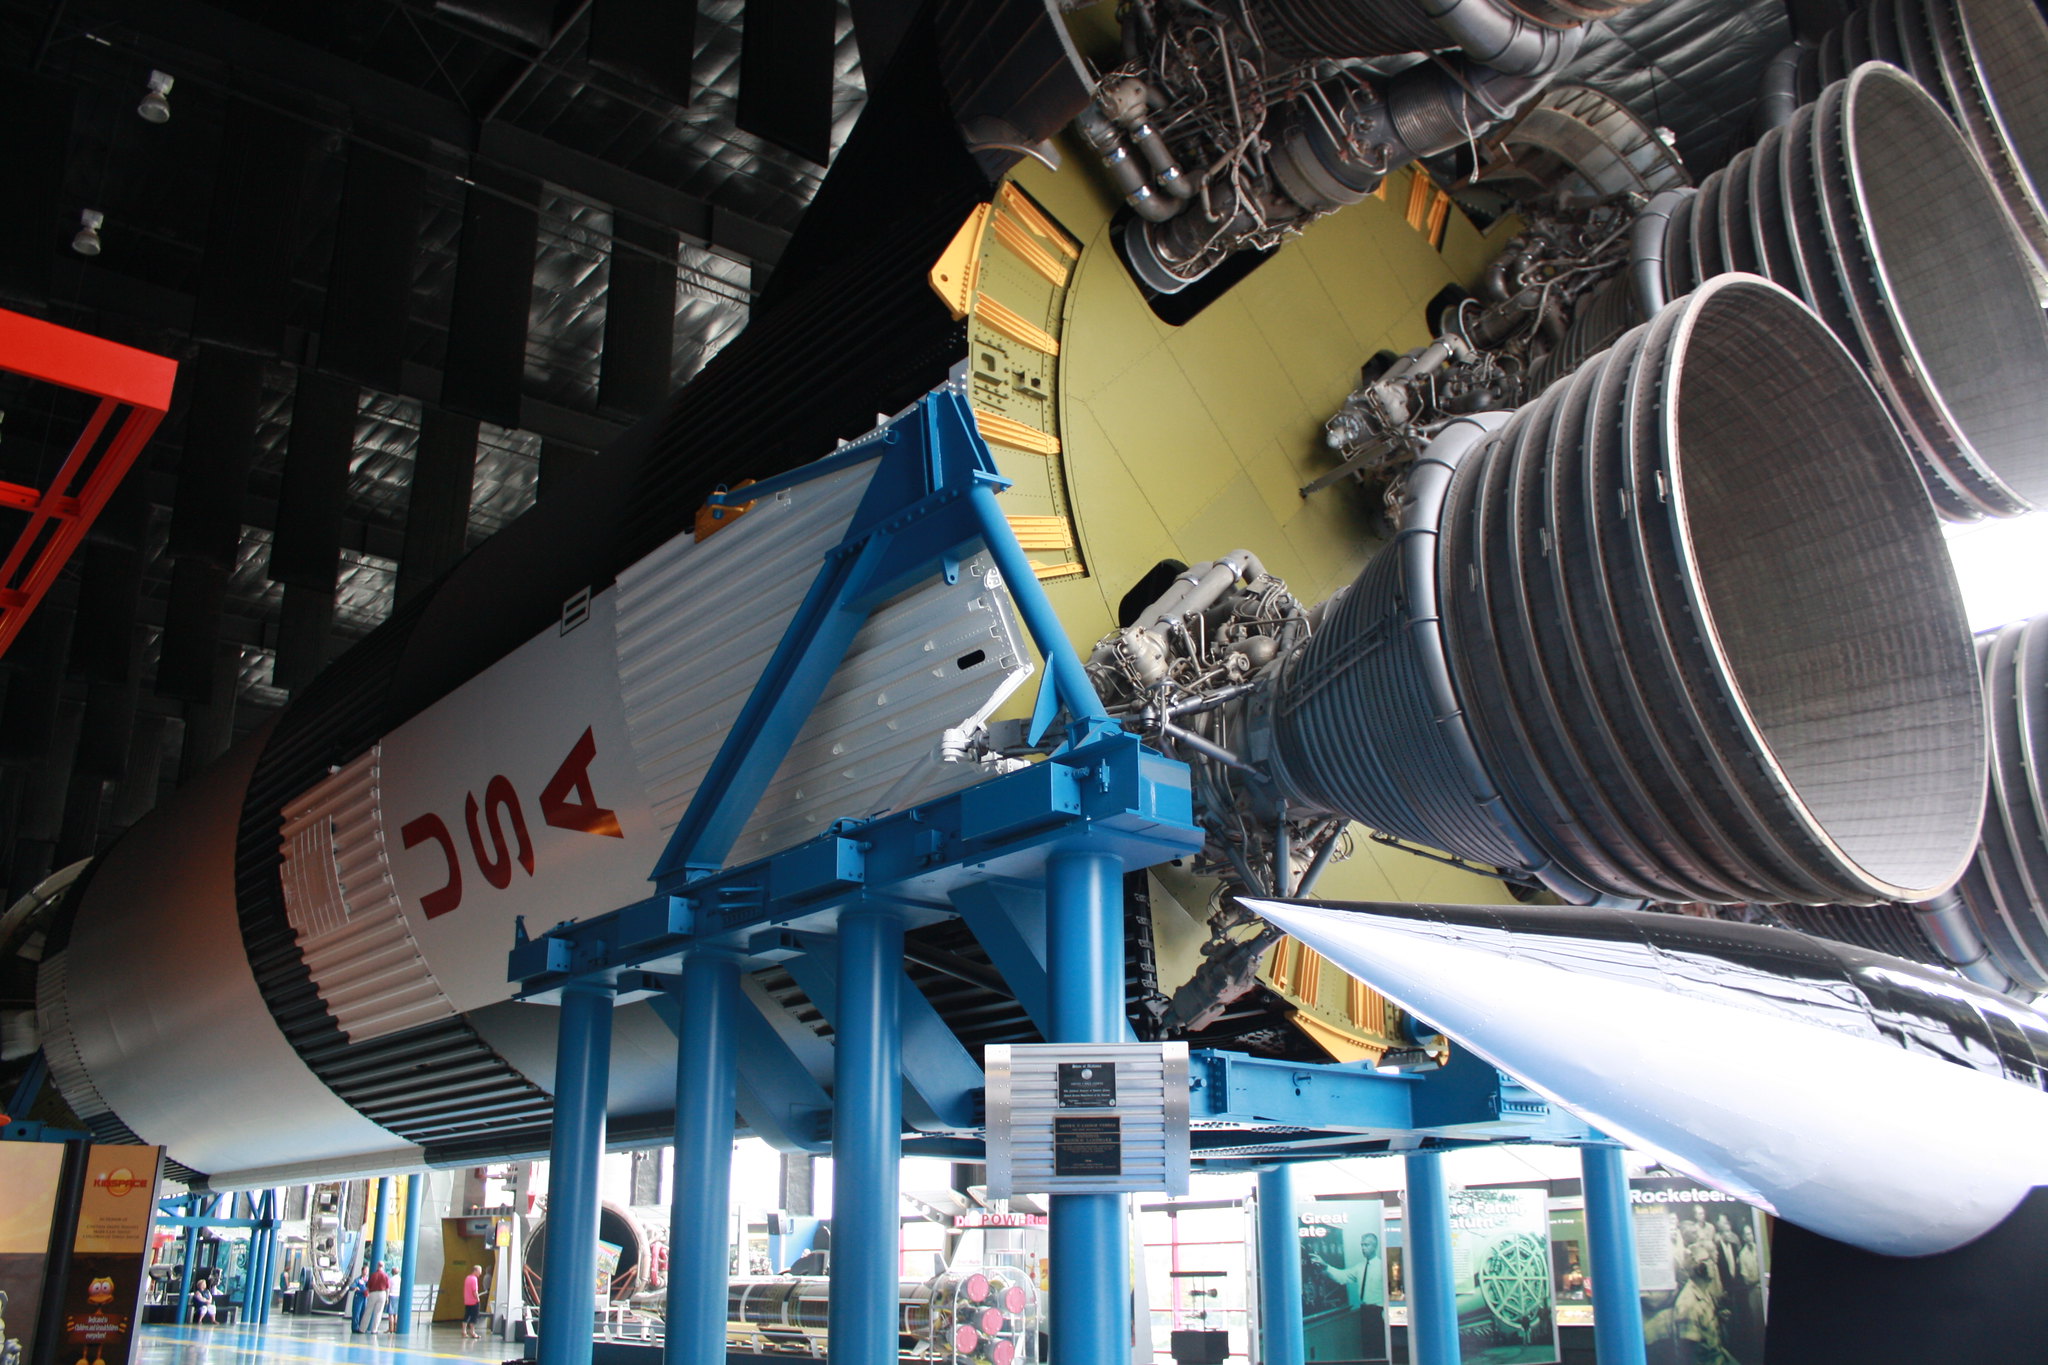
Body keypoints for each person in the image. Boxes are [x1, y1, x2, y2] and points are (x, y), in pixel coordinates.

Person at [362, 1262, 391, 1336]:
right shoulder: (385, 1276)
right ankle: (374, 1330)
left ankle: (362, 1329)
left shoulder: (373, 1275)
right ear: (383, 1266)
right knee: (378, 1313)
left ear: (377, 1266)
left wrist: (368, 1293)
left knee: (368, 1311)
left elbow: (368, 1286)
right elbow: (387, 1288)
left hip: (373, 1293)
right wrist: (387, 1297)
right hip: (382, 1294)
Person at [462, 1265, 484, 1340]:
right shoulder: (474, 1279)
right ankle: (472, 1332)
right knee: (474, 1317)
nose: (480, 1273)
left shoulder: (467, 1278)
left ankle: (464, 1331)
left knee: (466, 1315)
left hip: (467, 1301)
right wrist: (477, 1299)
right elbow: (475, 1291)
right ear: (475, 1271)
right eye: (479, 1271)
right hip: (474, 1301)